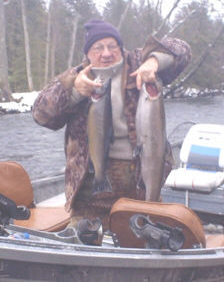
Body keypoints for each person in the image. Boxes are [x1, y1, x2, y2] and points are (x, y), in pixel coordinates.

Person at [33, 19, 191, 230]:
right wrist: (73, 90)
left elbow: (182, 50)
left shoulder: (138, 61)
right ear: (87, 54)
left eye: (112, 46)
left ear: (121, 47)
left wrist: (154, 61)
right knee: (83, 243)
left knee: (143, 236)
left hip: (141, 176)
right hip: (90, 185)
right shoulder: (79, 77)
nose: (106, 53)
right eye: (98, 48)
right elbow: (41, 115)